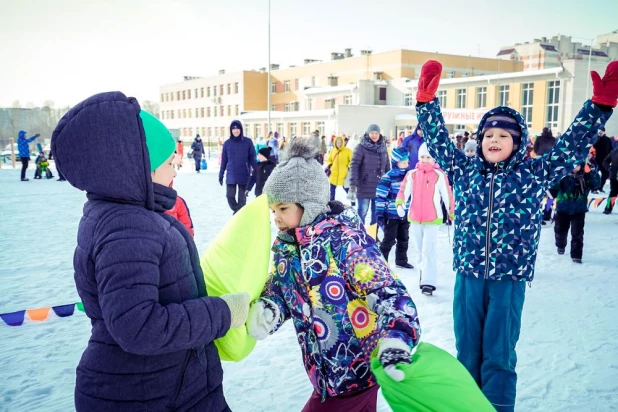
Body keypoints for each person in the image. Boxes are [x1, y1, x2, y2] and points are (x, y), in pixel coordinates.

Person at [414, 59, 616, 411]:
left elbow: (570, 146)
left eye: (503, 135)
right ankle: (466, 406)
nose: (494, 140)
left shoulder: (533, 173)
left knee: (498, 355)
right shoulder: (464, 169)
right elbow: (439, 142)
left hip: (509, 278)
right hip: (469, 276)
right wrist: (426, 103)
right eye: (488, 135)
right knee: (467, 353)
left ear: (518, 142)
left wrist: (598, 106)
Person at [51, 92, 249, 411]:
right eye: (170, 163)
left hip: (167, 386)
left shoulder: (125, 216)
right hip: (143, 395)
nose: (175, 171)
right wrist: (222, 313)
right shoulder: (127, 228)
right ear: (140, 168)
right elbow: (139, 326)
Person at [248, 137, 421, 412]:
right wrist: (272, 307)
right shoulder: (288, 246)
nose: (276, 218)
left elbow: (386, 291)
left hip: (356, 371)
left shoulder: (345, 242)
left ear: (309, 204)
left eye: (283, 209)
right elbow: (284, 288)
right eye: (273, 210)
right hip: (327, 376)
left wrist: (396, 336)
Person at [396, 143, 454, 295]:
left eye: (428, 157)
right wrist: (400, 204)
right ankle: (423, 276)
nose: (425, 159)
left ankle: (428, 282)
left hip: (432, 219)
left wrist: (451, 212)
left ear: (433, 158)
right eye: (423, 156)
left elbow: (447, 195)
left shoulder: (439, 175)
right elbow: (403, 190)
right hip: (415, 218)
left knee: (429, 249)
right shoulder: (412, 174)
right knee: (421, 250)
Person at [549, 162, 600, 263]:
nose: (575, 167)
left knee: (577, 234)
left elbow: (596, 185)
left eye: (577, 165)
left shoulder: (585, 177)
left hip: (579, 210)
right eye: (573, 164)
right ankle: (561, 245)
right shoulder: (562, 176)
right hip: (562, 209)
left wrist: (591, 172)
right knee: (560, 231)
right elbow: (552, 189)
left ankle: (576, 256)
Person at [375, 146, 413, 269]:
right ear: (396, 162)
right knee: (389, 239)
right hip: (391, 214)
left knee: (404, 238)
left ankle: (401, 260)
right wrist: (380, 214)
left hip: (405, 214)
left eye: (407, 162)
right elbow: (380, 196)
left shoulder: (409, 177)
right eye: (403, 162)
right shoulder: (388, 177)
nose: (406, 165)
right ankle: (382, 262)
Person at [349, 125, 390, 225]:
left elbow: (387, 167)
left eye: (376, 133)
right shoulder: (360, 147)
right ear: (368, 134)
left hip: (379, 187)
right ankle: (360, 236)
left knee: (376, 214)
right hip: (364, 186)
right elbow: (354, 165)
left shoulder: (383, 148)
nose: (374, 135)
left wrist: (389, 183)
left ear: (379, 134)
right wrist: (353, 184)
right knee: (362, 213)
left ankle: (372, 237)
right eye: (372, 133)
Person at [219, 120, 257, 214]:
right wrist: (221, 174)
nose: (236, 131)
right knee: (229, 196)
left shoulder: (247, 142)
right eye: (234, 129)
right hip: (231, 175)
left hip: (244, 174)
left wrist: (257, 170)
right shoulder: (227, 143)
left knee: (242, 199)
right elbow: (224, 160)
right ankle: (238, 212)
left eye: (238, 129)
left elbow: (252, 157)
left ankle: (239, 215)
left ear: (241, 130)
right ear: (231, 130)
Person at [325, 136, 353, 201]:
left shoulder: (348, 151)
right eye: (337, 142)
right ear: (335, 143)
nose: (339, 144)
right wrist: (330, 165)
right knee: (332, 189)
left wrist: (348, 167)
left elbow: (352, 160)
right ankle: (332, 201)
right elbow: (329, 159)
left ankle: (352, 200)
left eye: (340, 142)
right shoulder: (332, 150)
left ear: (343, 142)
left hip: (343, 174)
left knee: (346, 188)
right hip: (333, 173)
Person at [593, 127, 614, 192]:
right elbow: (594, 147)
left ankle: (600, 187)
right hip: (596, 160)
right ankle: (594, 188)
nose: (601, 132)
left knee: (606, 173)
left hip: (604, 160)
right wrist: (598, 139)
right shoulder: (596, 139)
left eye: (602, 131)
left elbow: (611, 149)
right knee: (595, 174)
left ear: (604, 132)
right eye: (600, 131)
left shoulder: (607, 139)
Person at [602, 145, 618, 214]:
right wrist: (609, 168)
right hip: (614, 177)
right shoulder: (614, 152)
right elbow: (605, 162)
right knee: (613, 194)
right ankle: (608, 208)